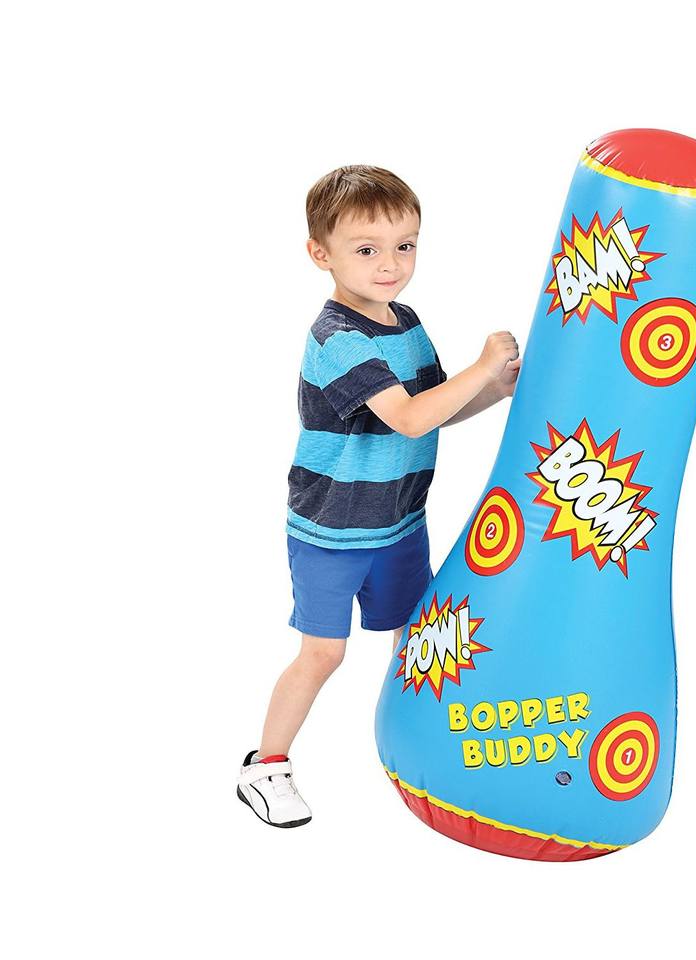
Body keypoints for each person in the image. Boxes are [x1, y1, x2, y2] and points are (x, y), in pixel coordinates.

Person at [237, 165, 521, 827]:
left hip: (398, 522)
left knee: (416, 640)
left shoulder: (405, 322)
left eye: (405, 245)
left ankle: (416, 747)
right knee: (323, 653)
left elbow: (436, 407)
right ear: (321, 254)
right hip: (334, 530)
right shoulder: (337, 339)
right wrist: (481, 367)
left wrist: (496, 390)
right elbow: (411, 419)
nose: (390, 264)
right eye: (366, 249)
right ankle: (265, 766)